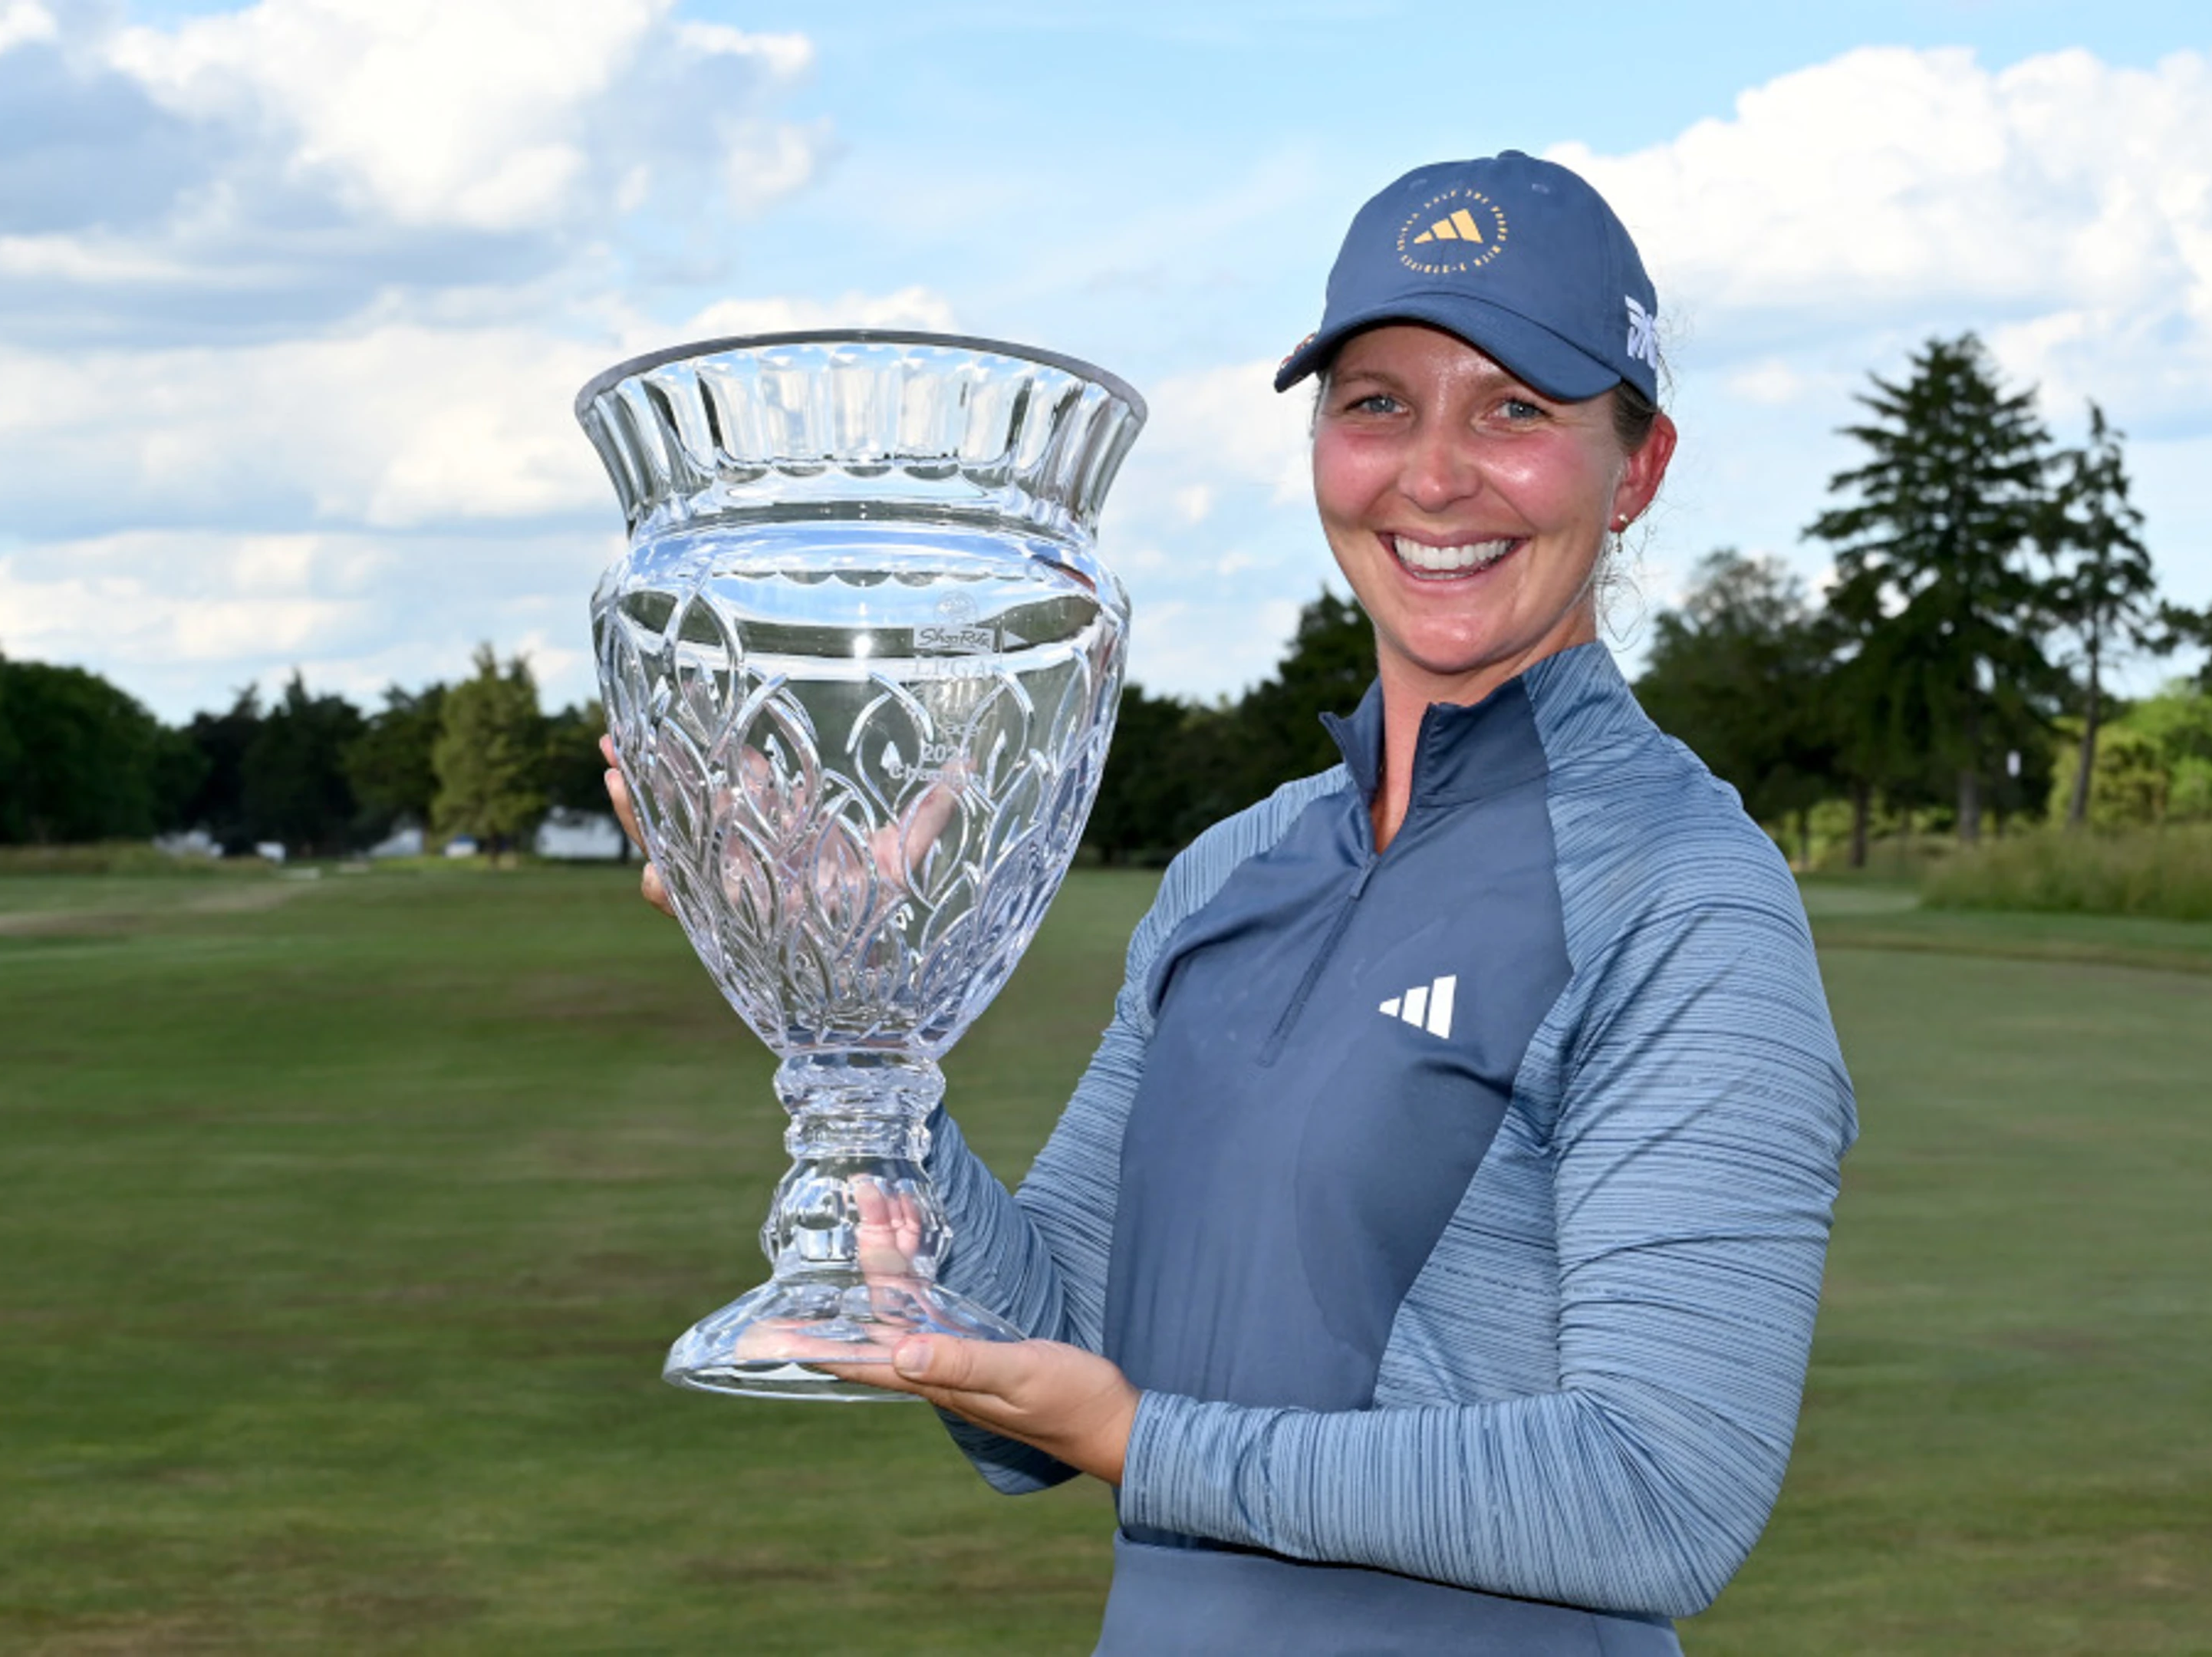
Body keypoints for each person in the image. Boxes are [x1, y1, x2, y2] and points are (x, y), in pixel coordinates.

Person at [613, 150, 1855, 1655]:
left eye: (1517, 408)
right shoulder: (1233, 871)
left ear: (1635, 467)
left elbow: (1659, 1496)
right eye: (1377, 402)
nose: (1436, 472)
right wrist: (866, 1022)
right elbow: (1040, 1375)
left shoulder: (1681, 896)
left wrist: (1148, 1441)